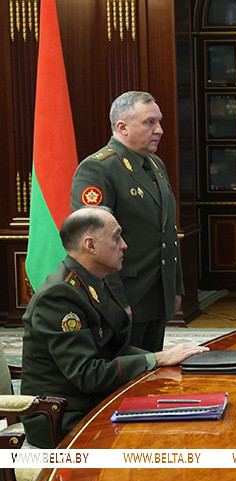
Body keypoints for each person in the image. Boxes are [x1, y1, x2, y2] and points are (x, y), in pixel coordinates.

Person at [21, 207, 208, 448]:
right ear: (90, 245)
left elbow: (115, 348)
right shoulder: (59, 296)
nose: (124, 245)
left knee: (187, 411)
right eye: (117, 237)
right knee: (167, 436)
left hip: (95, 402)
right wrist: (157, 359)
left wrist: (164, 358)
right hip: (64, 417)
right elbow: (87, 374)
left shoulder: (92, 281)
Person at [71, 91, 183, 351]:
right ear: (122, 127)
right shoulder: (98, 168)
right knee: (127, 370)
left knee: (154, 368)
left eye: (159, 121)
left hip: (157, 294)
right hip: (127, 295)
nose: (159, 130)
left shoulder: (156, 165)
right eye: (149, 122)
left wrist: (175, 287)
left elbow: (167, 231)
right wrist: (117, 300)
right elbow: (95, 243)